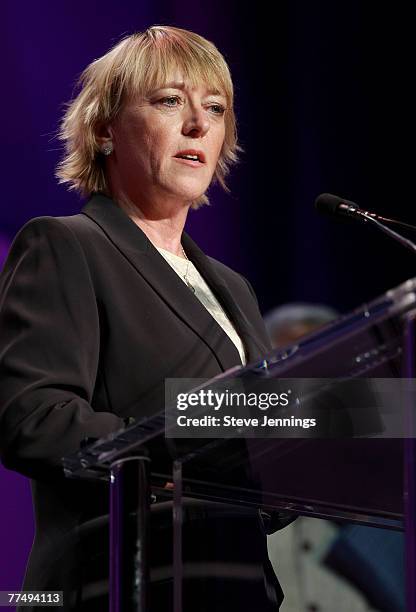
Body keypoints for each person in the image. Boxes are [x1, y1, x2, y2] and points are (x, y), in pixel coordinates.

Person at [0, 26, 283, 611]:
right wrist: (191, 436)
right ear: (104, 130)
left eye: (215, 108)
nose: (198, 125)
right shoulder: (66, 245)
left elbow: (260, 443)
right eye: (169, 101)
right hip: (117, 582)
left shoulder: (234, 288)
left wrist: (326, 441)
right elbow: (35, 418)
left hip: (230, 586)